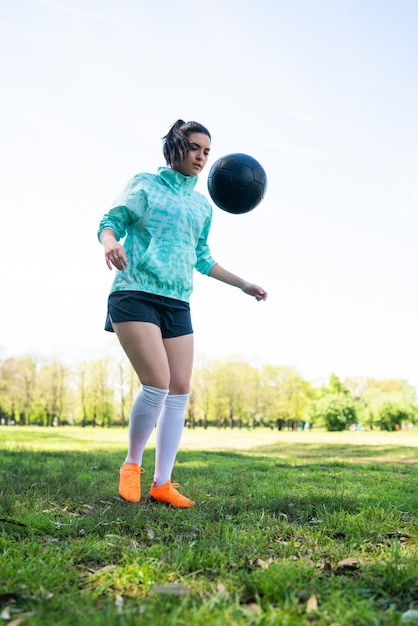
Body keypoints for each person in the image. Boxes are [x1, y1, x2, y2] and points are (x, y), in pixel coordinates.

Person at [97, 119, 267, 508]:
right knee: (157, 383)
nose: (201, 157)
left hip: (177, 301)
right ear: (175, 148)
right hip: (135, 292)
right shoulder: (145, 184)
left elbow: (202, 258)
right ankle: (132, 466)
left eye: (206, 151)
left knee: (179, 392)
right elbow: (111, 222)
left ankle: (162, 483)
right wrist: (109, 243)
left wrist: (243, 284)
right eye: (194, 148)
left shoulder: (202, 205)